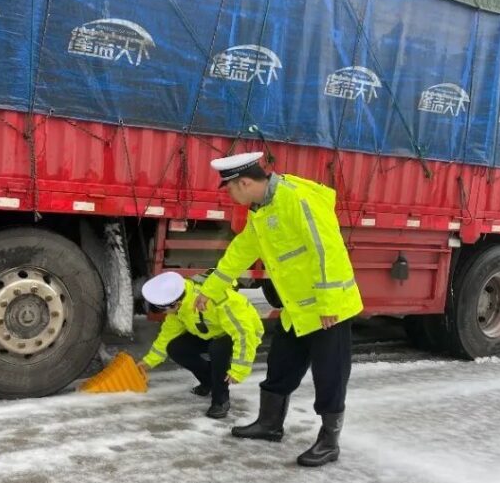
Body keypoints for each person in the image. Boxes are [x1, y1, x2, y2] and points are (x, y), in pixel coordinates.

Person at [194, 152, 363, 467]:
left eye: (230, 189)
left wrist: (328, 304)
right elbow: (241, 251)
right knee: (280, 365)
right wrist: (211, 289)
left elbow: (328, 251)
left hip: (329, 310)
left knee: (330, 375)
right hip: (297, 309)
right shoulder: (262, 209)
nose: (231, 196)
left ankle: (329, 442)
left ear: (245, 183)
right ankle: (270, 424)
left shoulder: (297, 200)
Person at [137, 271, 263, 419]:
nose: (165, 314)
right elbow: (166, 337)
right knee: (175, 347)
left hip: (241, 333)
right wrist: (148, 362)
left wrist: (239, 369)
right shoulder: (179, 308)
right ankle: (209, 381)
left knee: (217, 349)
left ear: (176, 303)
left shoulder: (219, 299)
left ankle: (220, 400)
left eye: (163, 310)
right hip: (212, 333)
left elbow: (243, 334)